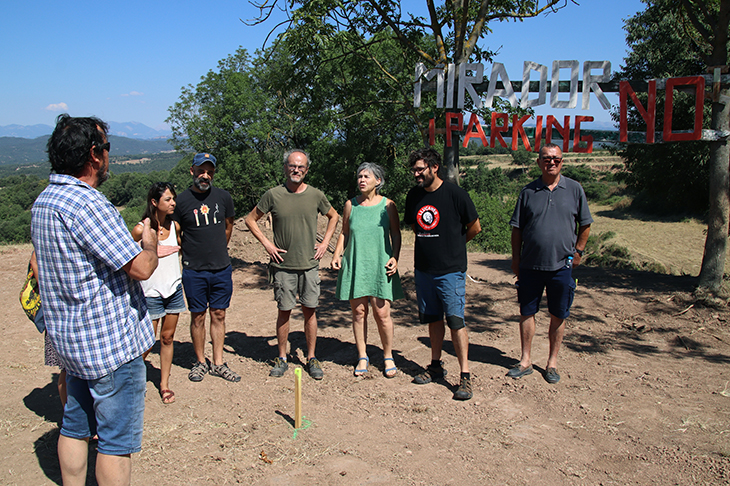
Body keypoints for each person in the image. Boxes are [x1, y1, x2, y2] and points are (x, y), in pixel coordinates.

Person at [31, 114, 158, 486]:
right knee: (115, 444)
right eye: (107, 148)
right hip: (108, 346)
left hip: (69, 342)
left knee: (73, 426)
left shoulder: (44, 201)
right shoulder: (88, 205)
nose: (109, 157)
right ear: (93, 154)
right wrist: (149, 238)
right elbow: (141, 268)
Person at [245, 149, 339, 380]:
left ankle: (312, 357)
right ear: (285, 167)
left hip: (308, 265)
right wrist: (267, 244)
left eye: (301, 167)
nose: (296, 170)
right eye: (292, 165)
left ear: (307, 170)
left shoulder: (316, 195)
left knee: (310, 311)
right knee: (284, 311)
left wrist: (325, 243)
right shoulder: (273, 195)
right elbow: (250, 219)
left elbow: (334, 216)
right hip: (282, 266)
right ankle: (282, 357)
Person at [508, 143, 592, 384]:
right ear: (539, 162)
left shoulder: (575, 189)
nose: (551, 162)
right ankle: (525, 361)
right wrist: (516, 259)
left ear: (562, 161)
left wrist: (578, 252)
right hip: (530, 265)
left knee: (558, 313)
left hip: (562, 267)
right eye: (546, 159)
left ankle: (552, 363)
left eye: (555, 159)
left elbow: (585, 224)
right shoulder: (528, 192)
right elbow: (517, 230)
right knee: (527, 312)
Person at [404, 147, 481, 401]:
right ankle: (435, 366)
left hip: (451, 271)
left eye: (420, 169)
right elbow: (416, 227)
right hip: (424, 270)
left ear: (434, 167)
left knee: (456, 321)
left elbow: (475, 227)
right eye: (414, 170)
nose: (416, 174)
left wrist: (454, 247)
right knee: (433, 320)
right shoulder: (414, 196)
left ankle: (465, 376)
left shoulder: (456, 194)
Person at [331, 162, 404, 378]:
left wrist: (395, 258)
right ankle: (362, 356)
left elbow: (396, 234)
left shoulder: (388, 205)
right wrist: (337, 253)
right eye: (359, 176)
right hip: (356, 263)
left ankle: (388, 355)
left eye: (366, 177)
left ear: (378, 181)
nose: (361, 180)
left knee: (382, 313)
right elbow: (344, 232)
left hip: (381, 265)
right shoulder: (350, 205)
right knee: (358, 312)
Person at [174, 153, 239, 383]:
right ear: (192, 170)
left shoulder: (223, 197)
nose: (205, 175)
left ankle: (219, 362)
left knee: (219, 314)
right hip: (194, 270)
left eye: (209, 172)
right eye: (201, 171)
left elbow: (228, 227)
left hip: (221, 267)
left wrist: (218, 249)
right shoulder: (181, 201)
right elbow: (177, 234)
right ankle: (201, 362)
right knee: (198, 316)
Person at [132, 182, 186, 403]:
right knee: (146, 342)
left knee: (167, 337)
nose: (173, 203)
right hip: (150, 292)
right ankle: (132, 383)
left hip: (173, 288)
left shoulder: (175, 227)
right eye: (167, 199)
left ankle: (164, 385)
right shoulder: (140, 230)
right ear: (154, 202)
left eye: (173, 198)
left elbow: (179, 250)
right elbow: (130, 260)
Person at [29, 250, 67, 407]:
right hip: (61, 310)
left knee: (70, 371)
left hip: (63, 308)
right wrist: (48, 291)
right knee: (68, 371)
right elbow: (34, 261)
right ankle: (70, 416)